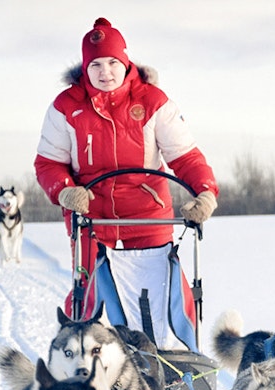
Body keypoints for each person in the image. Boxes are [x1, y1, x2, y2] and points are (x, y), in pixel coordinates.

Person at [35, 17, 218, 351]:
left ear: (126, 62)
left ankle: (171, 359)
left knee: (160, 294)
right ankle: (84, 362)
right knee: (90, 294)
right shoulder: (66, 107)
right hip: (91, 218)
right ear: (85, 69)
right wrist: (64, 189)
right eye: (96, 65)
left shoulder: (153, 102)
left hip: (147, 217)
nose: (105, 72)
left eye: (113, 63)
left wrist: (204, 192)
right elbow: (48, 163)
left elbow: (186, 157)